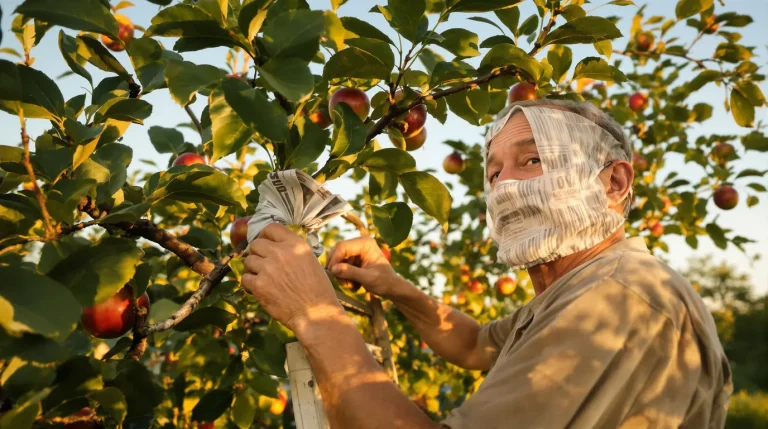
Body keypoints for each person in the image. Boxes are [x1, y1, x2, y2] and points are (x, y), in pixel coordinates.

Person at [242, 100, 732, 429]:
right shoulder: (583, 286)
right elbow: (477, 345)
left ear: (614, 182)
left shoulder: (617, 297)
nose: (505, 186)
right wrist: (396, 288)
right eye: (494, 172)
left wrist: (317, 316)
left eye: (533, 161)